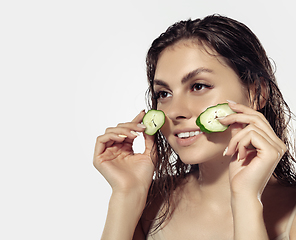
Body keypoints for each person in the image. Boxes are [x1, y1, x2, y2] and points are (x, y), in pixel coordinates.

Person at [93, 14, 296, 240]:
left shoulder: (291, 211)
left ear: (256, 93)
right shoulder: (150, 204)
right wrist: (127, 193)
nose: (173, 111)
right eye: (164, 94)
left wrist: (246, 199)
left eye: (198, 86)